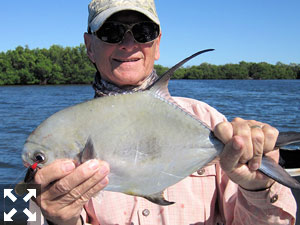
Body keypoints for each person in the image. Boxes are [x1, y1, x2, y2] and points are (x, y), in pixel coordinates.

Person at [29, 0, 297, 224]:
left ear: (157, 45)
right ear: (89, 45)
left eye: (143, 32)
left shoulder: (209, 119)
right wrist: (53, 219)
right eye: (112, 32)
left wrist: (259, 187)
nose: (128, 43)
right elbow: (13, 214)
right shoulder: (56, 135)